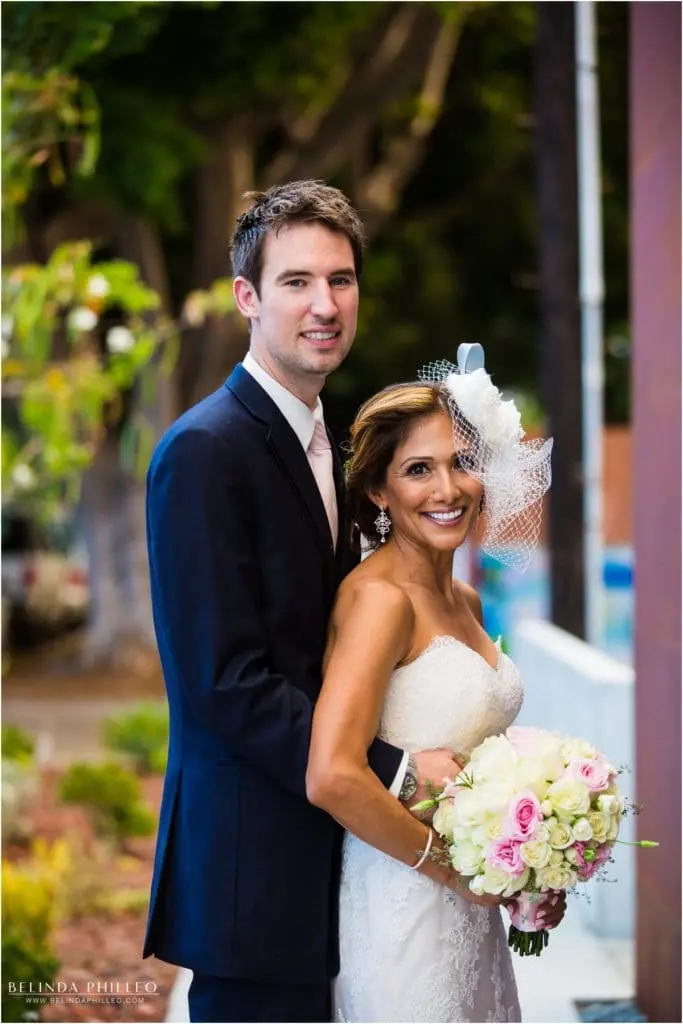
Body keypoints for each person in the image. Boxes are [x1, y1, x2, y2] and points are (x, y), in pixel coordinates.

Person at [143, 181, 468, 1024]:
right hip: (251, 877)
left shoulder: (329, 443)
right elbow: (225, 683)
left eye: (341, 280)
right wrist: (393, 770)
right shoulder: (205, 453)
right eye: (296, 282)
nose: (324, 304)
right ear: (247, 298)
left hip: (335, 867)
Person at [306, 372, 565, 1022]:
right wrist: (454, 871)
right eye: (418, 469)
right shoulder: (378, 602)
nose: (447, 490)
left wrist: (529, 860)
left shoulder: (467, 601)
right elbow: (333, 775)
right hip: (401, 906)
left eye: (462, 464)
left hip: (470, 916)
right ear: (377, 489)